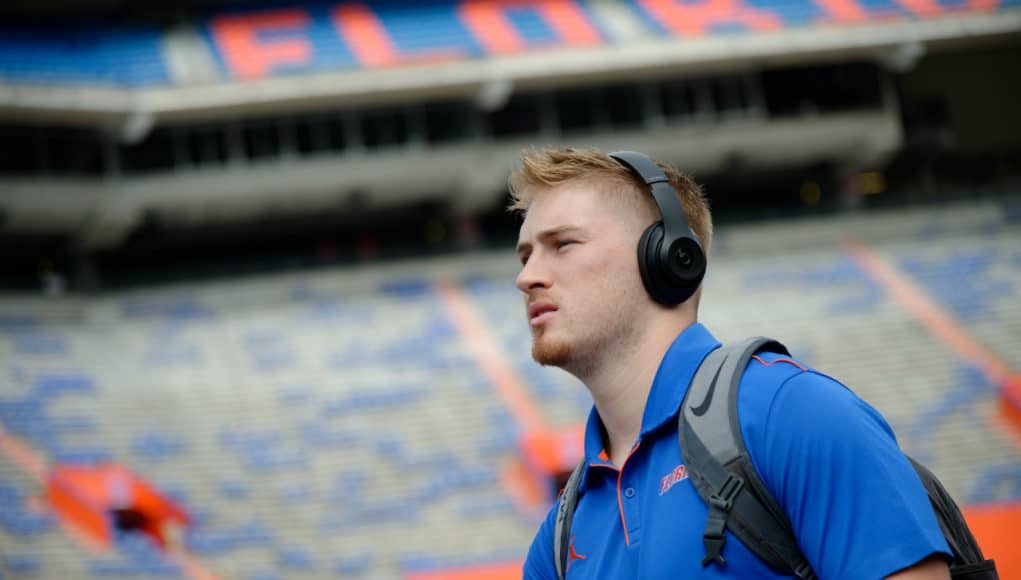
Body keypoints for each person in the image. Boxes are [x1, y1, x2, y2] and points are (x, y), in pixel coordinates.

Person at [510, 147, 952, 579]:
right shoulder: (560, 537)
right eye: (526, 255)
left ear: (666, 257)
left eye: (563, 244)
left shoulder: (791, 413)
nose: (526, 277)